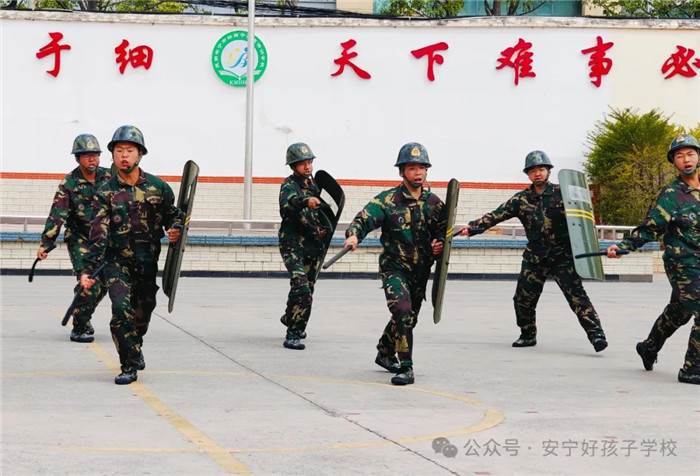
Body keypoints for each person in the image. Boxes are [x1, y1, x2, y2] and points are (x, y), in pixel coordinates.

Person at [459, 150, 608, 352]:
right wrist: (473, 227)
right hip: (535, 257)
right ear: (528, 174)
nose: (537, 173)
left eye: (541, 169)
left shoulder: (563, 193)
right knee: (523, 299)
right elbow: (497, 215)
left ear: (548, 171)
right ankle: (528, 335)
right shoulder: (521, 199)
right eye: (532, 170)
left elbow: (583, 218)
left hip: (562, 256)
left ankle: (596, 335)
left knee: (577, 297)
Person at [79, 125, 184, 385]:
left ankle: (135, 344)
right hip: (116, 263)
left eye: (129, 150)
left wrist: (175, 229)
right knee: (121, 310)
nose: (124, 155)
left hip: (147, 262)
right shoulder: (105, 192)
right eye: (119, 151)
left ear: (140, 154)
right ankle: (128, 364)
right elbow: (97, 234)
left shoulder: (158, 187)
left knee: (143, 311)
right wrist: (87, 270)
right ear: (113, 155)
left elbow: (173, 215)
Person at [343, 143, 445, 386]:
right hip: (395, 269)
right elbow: (364, 218)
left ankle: (385, 351)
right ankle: (406, 367)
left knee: (409, 317)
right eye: (412, 168)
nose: (418, 173)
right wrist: (354, 235)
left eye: (422, 168)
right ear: (401, 172)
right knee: (402, 311)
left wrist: (440, 243)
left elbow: (443, 231)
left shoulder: (434, 203)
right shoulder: (388, 200)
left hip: (421, 271)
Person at [606, 133, 700, 385]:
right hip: (683, 264)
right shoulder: (671, 195)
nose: (686, 160)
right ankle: (692, 370)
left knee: (678, 313)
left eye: (690, 154)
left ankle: (648, 348)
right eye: (679, 156)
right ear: (674, 162)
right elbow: (650, 228)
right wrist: (623, 247)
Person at [38, 134, 111, 343]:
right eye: (86, 155)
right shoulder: (69, 183)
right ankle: (80, 326)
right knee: (89, 282)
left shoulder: (109, 177)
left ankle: (81, 311)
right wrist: (46, 243)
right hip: (80, 239)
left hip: (104, 240)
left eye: (95, 155)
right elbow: (57, 214)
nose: (92, 159)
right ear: (78, 158)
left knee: (105, 284)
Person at [278, 142, 330, 350]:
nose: (307, 166)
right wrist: (305, 201)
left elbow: (320, 213)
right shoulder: (289, 185)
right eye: (302, 163)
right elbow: (288, 206)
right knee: (301, 286)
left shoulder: (314, 185)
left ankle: (290, 316)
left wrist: (320, 229)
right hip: (292, 244)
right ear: (293, 166)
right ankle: (294, 333)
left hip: (311, 244)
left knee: (307, 287)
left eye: (309, 162)